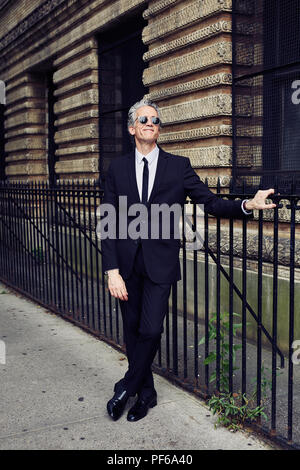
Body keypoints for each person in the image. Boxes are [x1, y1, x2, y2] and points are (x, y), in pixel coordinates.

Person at [100, 98, 276, 422]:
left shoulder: (177, 166)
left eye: (155, 120)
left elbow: (209, 203)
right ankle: (146, 395)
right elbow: (107, 220)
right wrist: (112, 271)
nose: (150, 123)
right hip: (126, 265)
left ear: (158, 129)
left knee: (151, 331)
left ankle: (126, 387)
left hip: (161, 264)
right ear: (131, 128)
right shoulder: (117, 168)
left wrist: (247, 205)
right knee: (133, 330)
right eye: (144, 119)